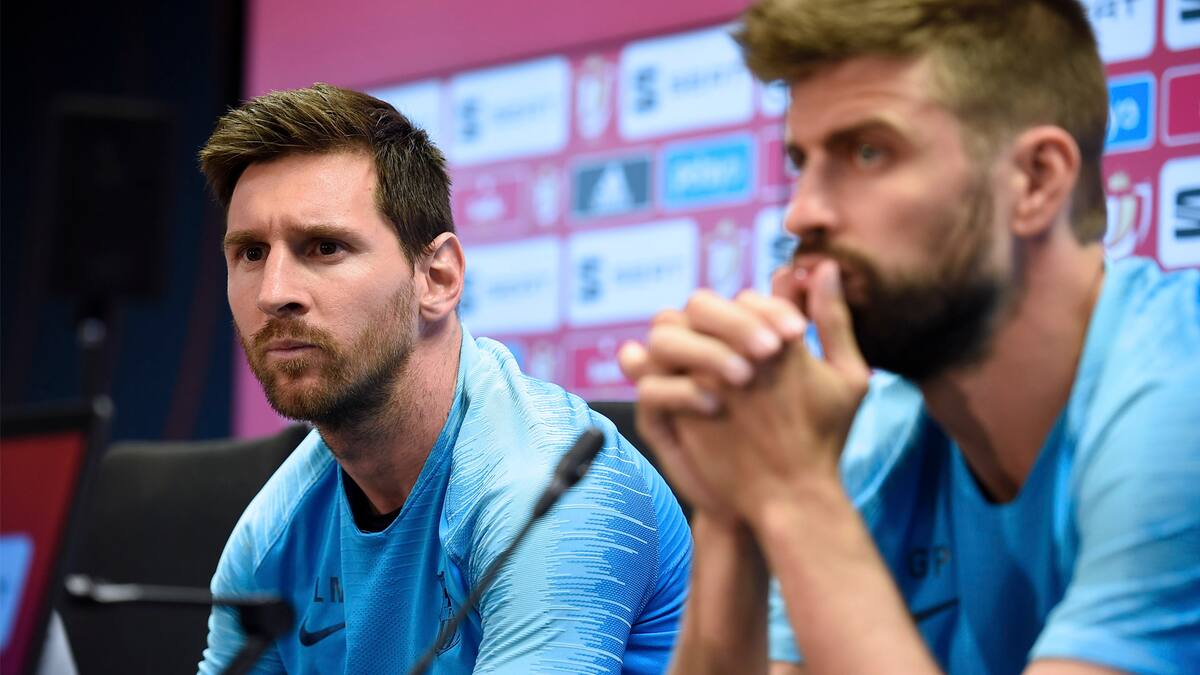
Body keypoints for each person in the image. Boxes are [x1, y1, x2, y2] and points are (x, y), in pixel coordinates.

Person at [618, 1, 1200, 673]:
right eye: (802, 161)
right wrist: (735, 507)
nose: (801, 212)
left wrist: (793, 489)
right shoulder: (879, 438)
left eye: (868, 152)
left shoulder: (1177, 401)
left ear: (1036, 181)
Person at [195, 83, 691, 674]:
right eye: (251, 253)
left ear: (437, 278)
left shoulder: (543, 492)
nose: (274, 293)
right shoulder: (271, 536)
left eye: (324, 247)